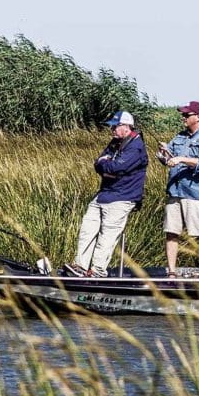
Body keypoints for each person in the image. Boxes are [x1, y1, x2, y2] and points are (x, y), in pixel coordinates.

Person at [66, 110, 148, 277]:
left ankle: (97, 271)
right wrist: (107, 166)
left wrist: (108, 166)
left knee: (107, 236)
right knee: (87, 229)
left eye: (114, 126)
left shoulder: (136, 147)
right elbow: (98, 164)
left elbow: (116, 168)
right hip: (104, 194)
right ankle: (80, 266)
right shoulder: (115, 142)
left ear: (126, 126)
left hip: (122, 197)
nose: (111, 130)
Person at [157, 100, 199, 277]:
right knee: (171, 232)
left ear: (198, 117)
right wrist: (163, 153)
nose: (183, 117)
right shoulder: (179, 137)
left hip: (197, 193)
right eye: (183, 114)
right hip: (175, 190)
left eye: (186, 115)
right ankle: (172, 272)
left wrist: (181, 159)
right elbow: (169, 160)